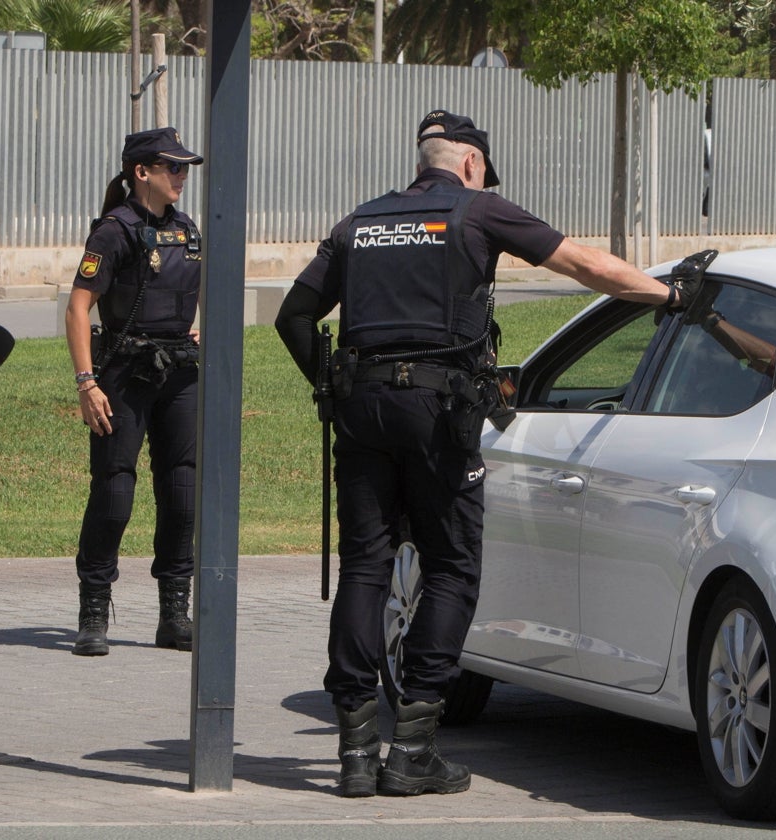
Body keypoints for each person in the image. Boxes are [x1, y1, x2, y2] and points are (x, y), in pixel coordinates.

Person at [275, 109, 695, 798]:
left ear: (423, 160)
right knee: (450, 568)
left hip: (364, 414)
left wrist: (331, 387)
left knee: (367, 568)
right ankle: (411, 750)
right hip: (438, 417)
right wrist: (669, 293)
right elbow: (586, 264)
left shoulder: (361, 223)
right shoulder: (477, 212)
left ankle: (354, 751)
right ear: (469, 162)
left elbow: (292, 316)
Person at [64, 127, 204, 657]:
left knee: (183, 496)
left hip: (180, 375)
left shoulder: (188, 229)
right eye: (173, 167)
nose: (182, 176)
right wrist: (86, 383)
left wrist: (192, 326)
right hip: (123, 375)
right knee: (115, 494)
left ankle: (175, 614)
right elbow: (78, 307)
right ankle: (93, 613)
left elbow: (194, 290)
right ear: (141, 172)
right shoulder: (113, 232)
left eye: (186, 168)